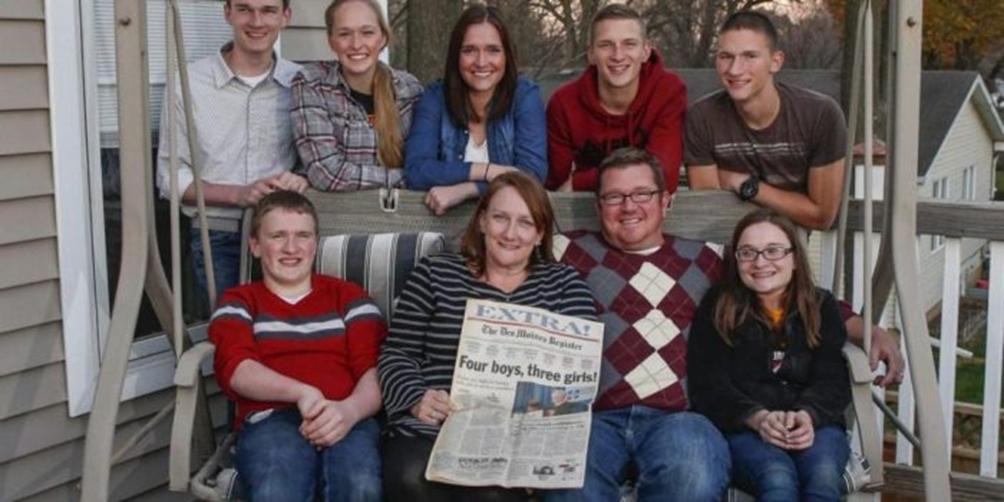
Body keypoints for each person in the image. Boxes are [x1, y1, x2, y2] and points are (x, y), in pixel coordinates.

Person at [547, 147, 904, 502]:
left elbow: (791, 293)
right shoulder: (568, 252)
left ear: (666, 202)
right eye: (614, 196)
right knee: (568, 483)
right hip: (594, 417)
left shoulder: (706, 257)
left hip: (679, 418)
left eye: (642, 194)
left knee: (692, 481)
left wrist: (869, 331)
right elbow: (510, 261)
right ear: (598, 207)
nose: (628, 206)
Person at [378, 172, 597, 501]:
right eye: (500, 218)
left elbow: (578, 381)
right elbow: (396, 353)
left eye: (525, 223)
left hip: (521, 435)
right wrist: (415, 398)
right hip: (435, 424)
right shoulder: (435, 273)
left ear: (540, 234)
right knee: (411, 477)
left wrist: (541, 449)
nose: (510, 234)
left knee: (491, 493)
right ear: (482, 221)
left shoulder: (564, 284)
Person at [209, 191, 384, 501]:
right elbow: (238, 370)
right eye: (278, 236)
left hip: (347, 414)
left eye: (302, 236)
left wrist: (349, 411)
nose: (291, 248)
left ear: (315, 244)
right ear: (256, 246)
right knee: (279, 484)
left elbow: (375, 370)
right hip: (271, 419)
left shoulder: (349, 297)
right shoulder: (240, 301)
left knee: (359, 483)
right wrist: (302, 392)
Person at [688, 209, 851, 501]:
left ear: (795, 259)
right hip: (745, 428)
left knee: (823, 478)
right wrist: (757, 418)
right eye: (748, 252)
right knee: (777, 478)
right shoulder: (719, 306)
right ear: (736, 260)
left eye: (773, 251)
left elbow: (833, 378)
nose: (760, 262)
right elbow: (709, 384)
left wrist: (808, 416)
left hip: (813, 424)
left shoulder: (820, 305)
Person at [156, 0, 307, 301]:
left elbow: (318, 160)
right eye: (244, 9)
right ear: (228, 13)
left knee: (286, 335)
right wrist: (238, 195)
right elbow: (169, 178)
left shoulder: (301, 82)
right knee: (227, 338)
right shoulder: (188, 83)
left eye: (268, 10)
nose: (256, 21)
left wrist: (303, 179)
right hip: (217, 237)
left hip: (288, 236)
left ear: (285, 16)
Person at [685, 11, 846, 231]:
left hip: (788, 247)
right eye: (726, 57)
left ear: (775, 61)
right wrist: (792, 204)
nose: (735, 69)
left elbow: (821, 216)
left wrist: (745, 185)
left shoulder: (820, 115)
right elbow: (709, 211)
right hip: (722, 244)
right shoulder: (702, 117)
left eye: (750, 56)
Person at [403, 5, 548, 215]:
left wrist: (468, 189)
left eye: (493, 50)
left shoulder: (524, 97)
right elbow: (416, 171)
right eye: (469, 50)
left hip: (509, 232)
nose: (481, 62)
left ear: (507, 55)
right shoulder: (435, 97)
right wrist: (488, 171)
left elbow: (532, 176)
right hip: (440, 228)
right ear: (456, 56)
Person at [544, 4, 686, 193]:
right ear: (591, 55)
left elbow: (663, 175)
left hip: (647, 213)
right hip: (582, 213)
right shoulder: (564, 104)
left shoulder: (667, 91)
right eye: (606, 45)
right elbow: (558, 185)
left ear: (646, 51)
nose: (618, 55)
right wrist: (640, 171)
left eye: (629, 44)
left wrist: (579, 182)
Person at [291, 0, 423, 191]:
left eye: (367, 32)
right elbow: (326, 174)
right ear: (331, 41)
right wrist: (414, 177)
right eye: (344, 34)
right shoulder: (312, 84)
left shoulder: (409, 89)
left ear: (383, 38)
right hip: (339, 215)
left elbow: (428, 159)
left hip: (400, 216)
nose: (356, 44)